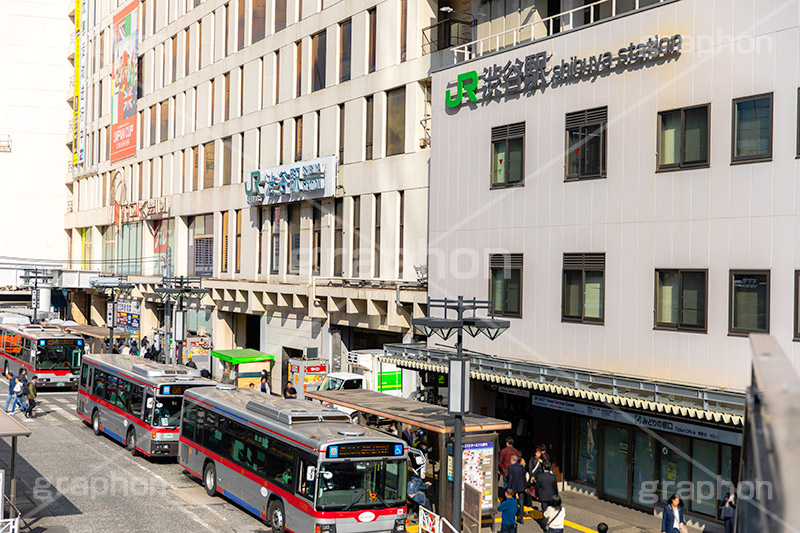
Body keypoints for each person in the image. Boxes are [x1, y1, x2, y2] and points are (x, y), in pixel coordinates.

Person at [507, 455, 528, 523]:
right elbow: (524, 477)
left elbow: (510, 478)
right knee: (521, 503)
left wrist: (509, 487)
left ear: (512, 460)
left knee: (512, 501)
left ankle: (512, 516)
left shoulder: (511, 468)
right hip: (521, 486)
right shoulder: (521, 467)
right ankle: (521, 518)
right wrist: (525, 486)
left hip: (514, 486)